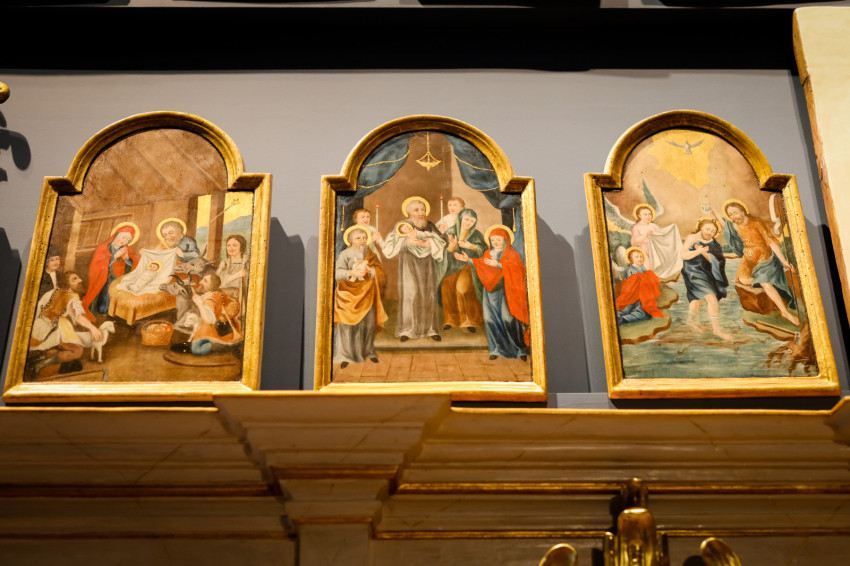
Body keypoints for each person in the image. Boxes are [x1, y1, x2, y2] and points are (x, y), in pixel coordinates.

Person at [712, 200, 799, 326]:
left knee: (765, 283)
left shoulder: (756, 223)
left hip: (763, 255)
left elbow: (771, 242)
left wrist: (783, 261)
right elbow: (724, 223)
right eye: (730, 215)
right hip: (748, 256)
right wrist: (713, 211)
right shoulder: (735, 226)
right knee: (742, 279)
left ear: (743, 211)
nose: (733, 216)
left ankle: (785, 312)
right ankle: (764, 282)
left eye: (735, 212)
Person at [455, 226, 529, 360]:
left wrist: (499, 265)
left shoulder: (512, 254)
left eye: (499, 240)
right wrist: (468, 260)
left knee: (508, 319)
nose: (495, 242)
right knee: (490, 320)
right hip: (490, 292)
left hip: (506, 292)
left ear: (505, 240)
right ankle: (497, 349)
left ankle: (519, 349)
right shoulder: (488, 253)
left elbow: (519, 271)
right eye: (493, 239)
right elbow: (481, 265)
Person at [380, 197, 447, 342]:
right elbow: (393, 244)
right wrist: (407, 242)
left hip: (427, 264)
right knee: (411, 294)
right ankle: (408, 330)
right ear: (409, 213)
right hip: (409, 262)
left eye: (423, 209)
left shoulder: (429, 225)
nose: (421, 212)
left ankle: (430, 329)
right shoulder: (402, 225)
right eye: (416, 210)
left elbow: (443, 240)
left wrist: (434, 240)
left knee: (428, 294)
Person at [28, 271, 103, 380]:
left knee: (63, 348)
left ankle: (41, 358)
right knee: (77, 351)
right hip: (52, 329)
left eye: (78, 278)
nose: (80, 280)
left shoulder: (53, 291)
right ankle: (41, 364)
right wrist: (92, 328)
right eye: (74, 279)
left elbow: (39, 308)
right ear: (67, 284)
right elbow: (78, 317)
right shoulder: (72, 297)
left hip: (37, 326)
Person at [333, 226, 388, 368]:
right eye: (358, 238)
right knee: (347, 327)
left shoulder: (370, 254)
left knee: (367, 325)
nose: (362, 241)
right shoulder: (345, 254)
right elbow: (337, 273)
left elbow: (381, 272)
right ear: (351, 240)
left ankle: (368, 352)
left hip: (367, 294)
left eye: (364, 238)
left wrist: (371, 270)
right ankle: (346, 355)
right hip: (347, 296)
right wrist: (352, 273)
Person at [680, 218, 732, 340]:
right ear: (700, 228)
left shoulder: (714, 244)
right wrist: (698, 251)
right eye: (707, 229)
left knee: (697, 298)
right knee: (711, 298)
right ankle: (717, 330)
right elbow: (683, 255)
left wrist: (704, 253)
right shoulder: (692, 238)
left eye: (713, 231)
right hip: (693, 272)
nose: (710, 232)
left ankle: (690, 321)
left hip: (707, 273)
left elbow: (718, 262)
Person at [171, 272, 241, 355]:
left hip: (211, 335)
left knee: (196, 348)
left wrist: (199, 303)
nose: (200, 282)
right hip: (218, 334)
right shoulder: (217, 294)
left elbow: (209, 320)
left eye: (205, 281)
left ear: (211, 286)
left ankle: (221, 346)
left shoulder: (210, 300)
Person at [439, 208, 486, 333]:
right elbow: (442, 250)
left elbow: (483, 251)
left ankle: (470, 320)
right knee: (446, 285)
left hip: (469, 266)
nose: (468, 223)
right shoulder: (451, 231)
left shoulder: (476, 235)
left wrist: (472, 246)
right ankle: (451, 319)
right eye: (466, 219)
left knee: (462, 288)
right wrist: (451, 247)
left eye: (471, 221)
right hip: (453, 266)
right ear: (460, 218)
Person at [81, 224, 139, 321]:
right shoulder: (103, 248)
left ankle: (117, 317)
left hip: (119, 279)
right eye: (123, 237)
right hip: (104, 279)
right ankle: (104, 315)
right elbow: (96, 265)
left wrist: (126, 259)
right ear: (117, 234)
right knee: (104, 305)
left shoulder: (126, 249)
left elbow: (133, 264)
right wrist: (115, 256)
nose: (124, 241)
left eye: (128, 240)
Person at [614, 247, 664, 326]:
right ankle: (621, 316)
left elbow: (648, 279)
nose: (640, 259)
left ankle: (625, 318)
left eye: (641, 257)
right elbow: (628, 284)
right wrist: (638, 279)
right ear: (631, 259)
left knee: (643, 310)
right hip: (632, 294)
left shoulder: (643, 268)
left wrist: (648, 278)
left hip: (643, 293)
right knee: (628, 308)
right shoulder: (629, 270)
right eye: (636, 257)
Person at [216, 235, 249, 308]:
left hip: (241, 297)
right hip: (224, 296)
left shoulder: (247, 261)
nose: (231, 248)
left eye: (235, 245)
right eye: (228, 245)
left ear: (241, 247)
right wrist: (237, 275)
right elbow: (217, 280)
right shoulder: (225, 262)